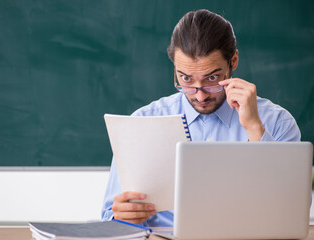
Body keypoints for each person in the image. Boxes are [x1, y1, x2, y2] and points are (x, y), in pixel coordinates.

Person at [101, 9, 301, 227]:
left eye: (212, 78)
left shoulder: (277, 122)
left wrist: (254, 127)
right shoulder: (141, 122)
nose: (200, 94)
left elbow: (293, 210)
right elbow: (109, 217)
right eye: (186, 79)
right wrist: (121, 215)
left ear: (233, 61)